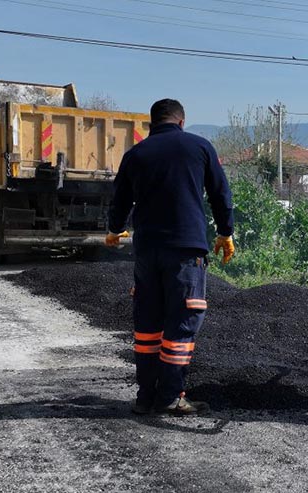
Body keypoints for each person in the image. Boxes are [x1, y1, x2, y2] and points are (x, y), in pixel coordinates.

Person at [107, 98, 236, 416]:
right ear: (182, 121)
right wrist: (225, 232)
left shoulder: (135, 154)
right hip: (185, 251)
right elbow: (221, 193)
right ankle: (169, 396)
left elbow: (119, 199)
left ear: (151, 124)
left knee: (148, 325)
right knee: (181, 322)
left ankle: (145, 397)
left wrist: (114, 230)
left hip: (147, 252)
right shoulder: (199, 147)